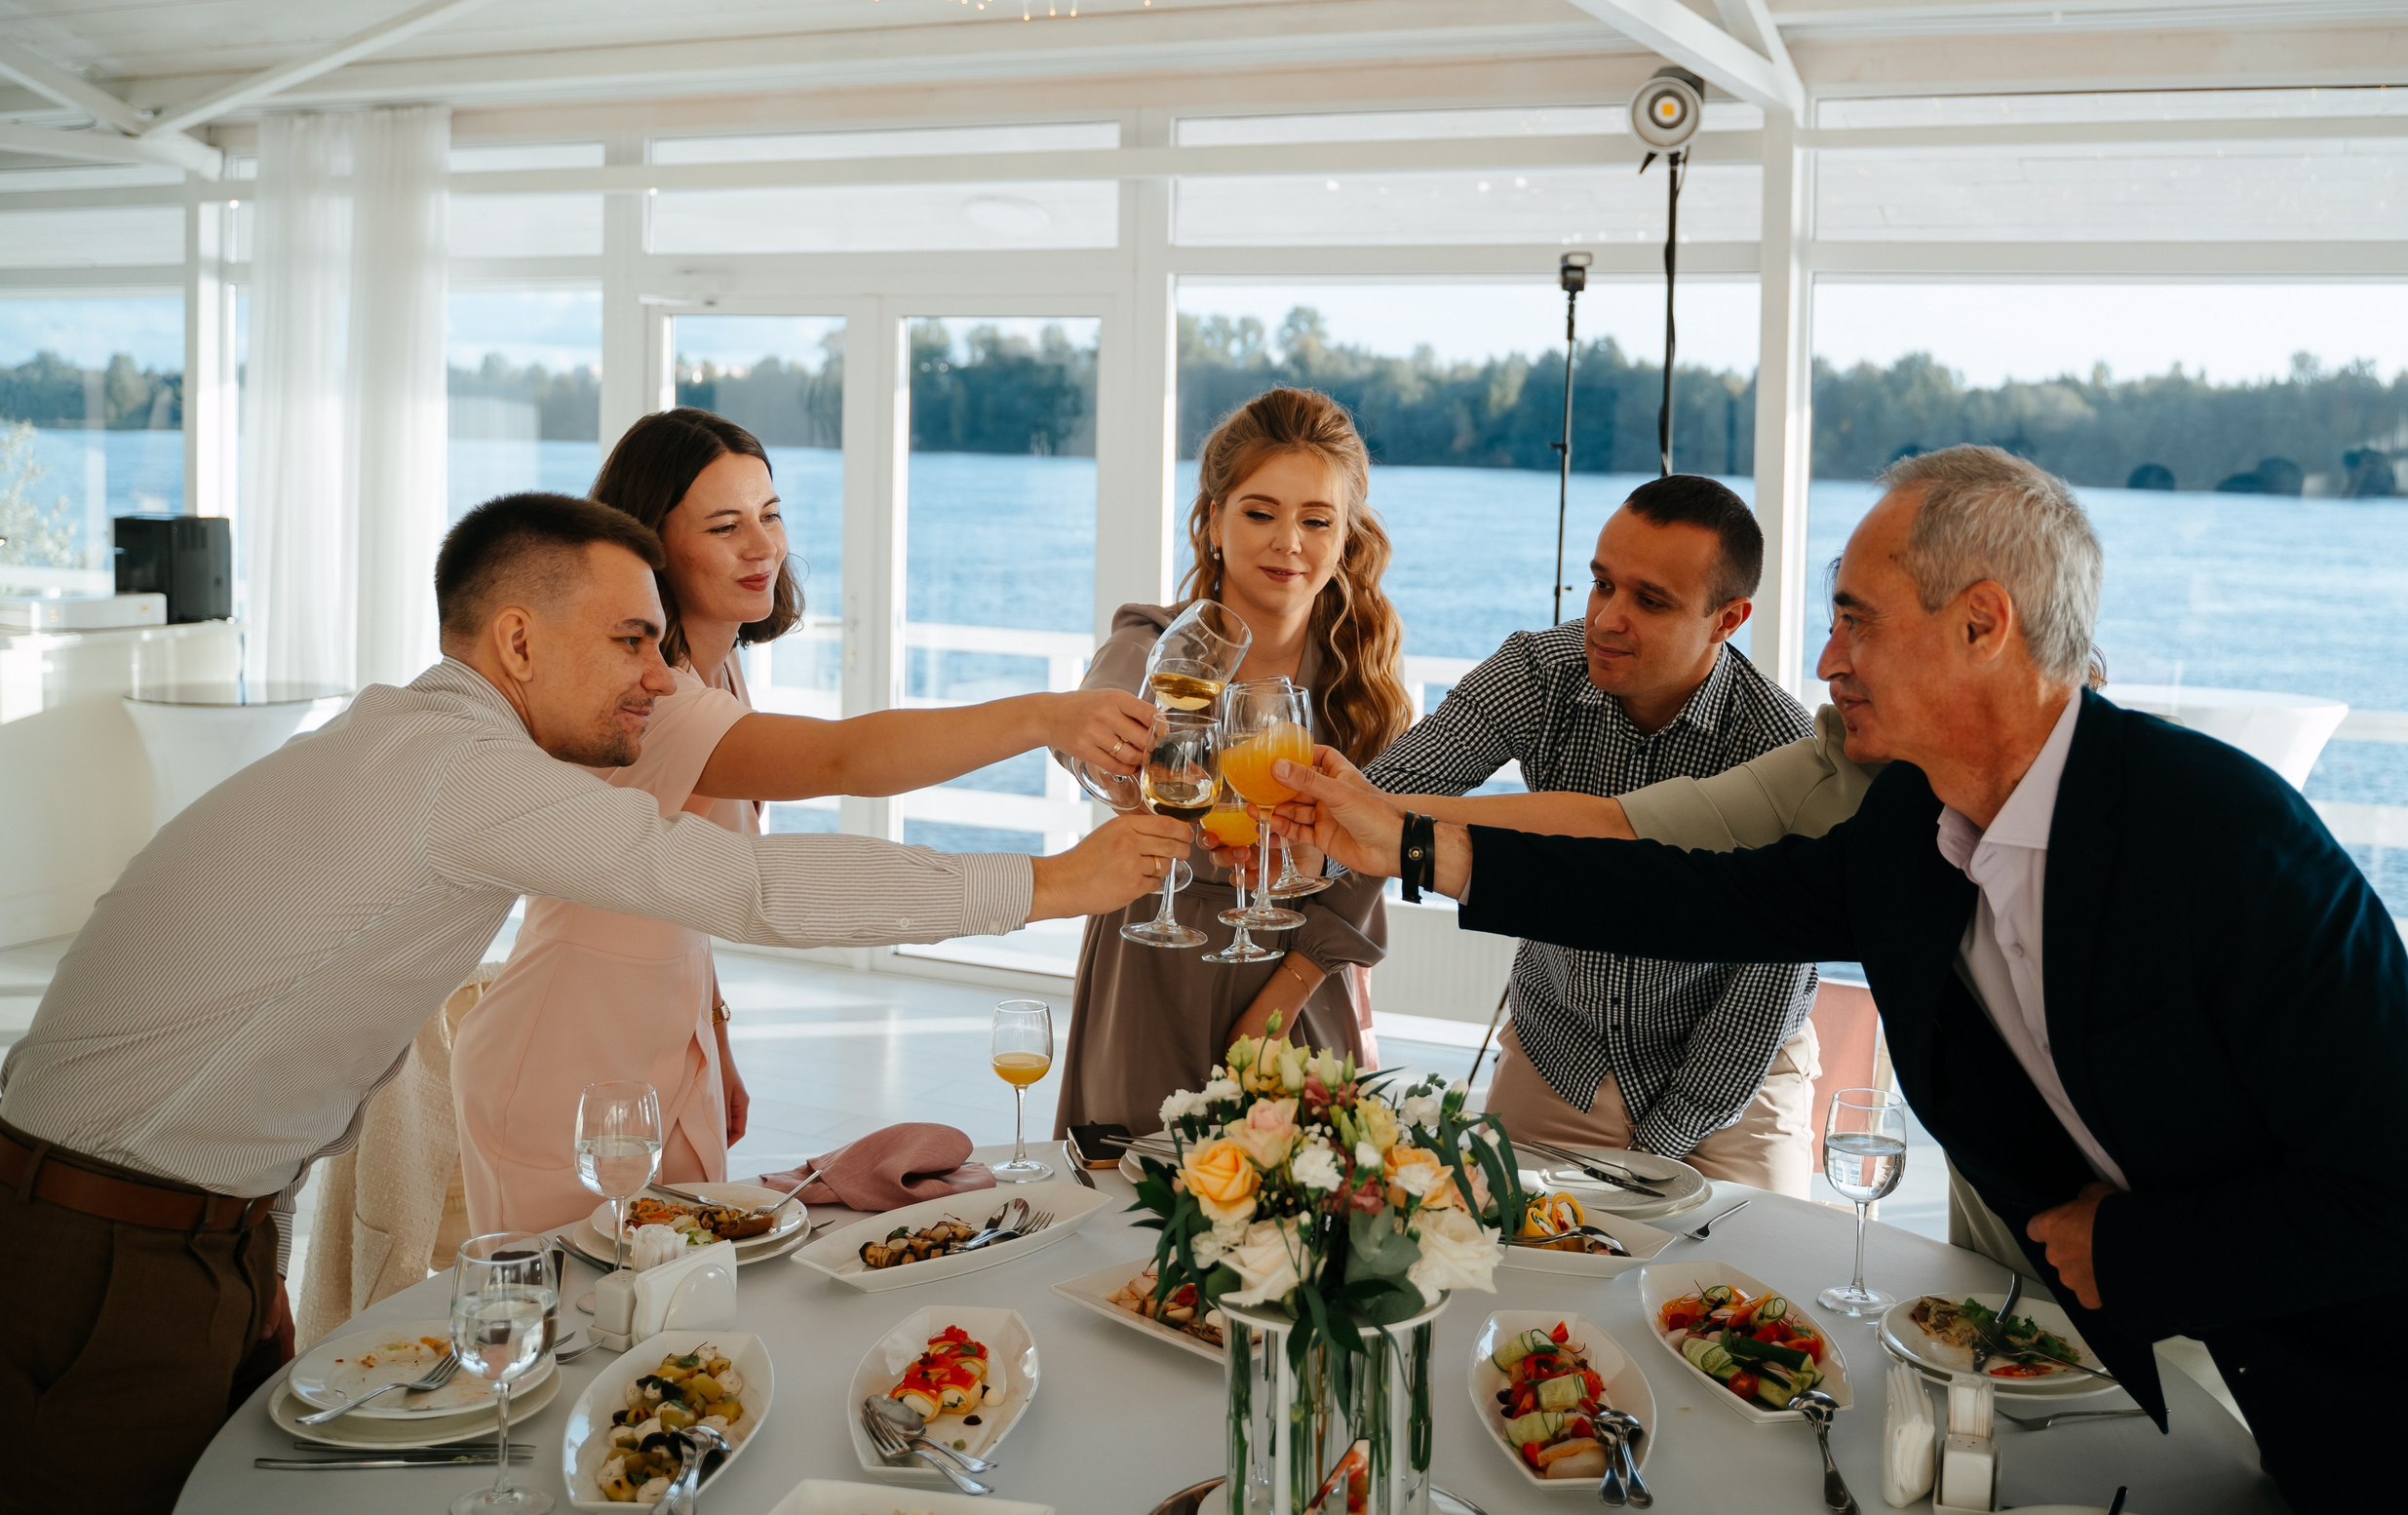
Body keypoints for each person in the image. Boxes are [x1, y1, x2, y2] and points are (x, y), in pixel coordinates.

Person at [1283, 446, 2408, 1510]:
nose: (1825, 656)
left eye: (1856, 618)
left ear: (1983, 623)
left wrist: (2127, 1251)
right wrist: (1410, 846)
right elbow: (1687, 894)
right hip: (2250, 1380)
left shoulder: (2225, 839)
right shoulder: (1912, 824)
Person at [0, 492, 1187, 1513]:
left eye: (663, 644)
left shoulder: (406, 738)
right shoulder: (462, 772)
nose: (659, 679)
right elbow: (744, 881)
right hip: (102, 1245)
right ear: (516, 639)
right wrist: (1052, 882)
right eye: (631, 640)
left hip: (184, 1224)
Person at [453, 411, 1161, 1234]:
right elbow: (842, 759)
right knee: (579, 1324)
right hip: (565, 1065)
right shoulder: (650, 703)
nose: (764, 546)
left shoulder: (715, 670)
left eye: (771, 513)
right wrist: (1045, 717)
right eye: (725, 525)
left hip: (667, 1054)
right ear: (651, 548)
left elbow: (683, 889)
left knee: (678, 1311)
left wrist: (713, 1039)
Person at [1363, 475, 1825, 1194]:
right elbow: (1387, 796)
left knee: (1759, 1287)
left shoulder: (1780, 744)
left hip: (1732, 1078)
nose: (1606, 619)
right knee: (1506, 1268)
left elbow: (1768, 984)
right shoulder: (1537, 672)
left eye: (1650, 601)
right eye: (1601, 584)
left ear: (1728, 619)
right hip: (1562, 1052)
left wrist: (1666, 1139)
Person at [1052, 388, 1407, 1139]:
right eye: (1259, 512)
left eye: (1317, 520)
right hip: (1152, 955)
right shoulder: (1150, 645)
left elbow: (1371, 871)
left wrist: (1283, 998)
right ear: (1213, 521)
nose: (1289, 542)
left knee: (1300, 1217)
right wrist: (1118, 764)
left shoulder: (1364, 690)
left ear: (1346, 538)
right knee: (1131, 1210)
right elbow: (1093, 735)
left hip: (1301, 972)